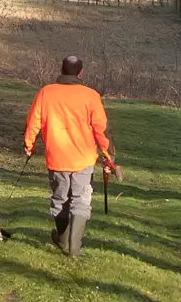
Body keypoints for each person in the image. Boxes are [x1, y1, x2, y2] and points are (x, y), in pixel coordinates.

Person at [23, 56, 115, 257]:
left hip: (57, 158)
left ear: (61, 70)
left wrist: (29, 146)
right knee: (81, 200)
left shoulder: (46, 93)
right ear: (80, 73)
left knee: (60, 199)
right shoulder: (91, 96)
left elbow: (33, 123)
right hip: (83, 159)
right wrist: (107, 155)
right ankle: (74, 248)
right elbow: (101, 129)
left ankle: (63, 242)